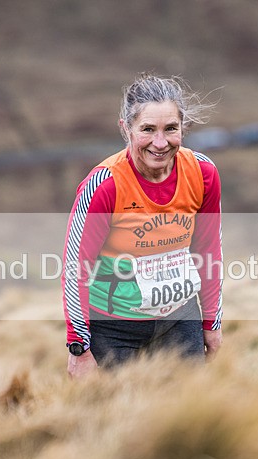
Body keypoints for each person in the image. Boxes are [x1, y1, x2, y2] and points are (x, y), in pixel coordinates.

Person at [62, 73, 223, 378]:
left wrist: (211, 324)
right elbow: (75, 268)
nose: (160, 143)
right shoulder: (105, 184)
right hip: (113, 329)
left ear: (183, 127)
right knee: (117, 409)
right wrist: (79, 347)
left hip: (181, 320)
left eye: (170, 129)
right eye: (148, 129)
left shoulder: (203, 173)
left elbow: (209, 251)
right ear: (126, 128)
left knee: (189, 406)